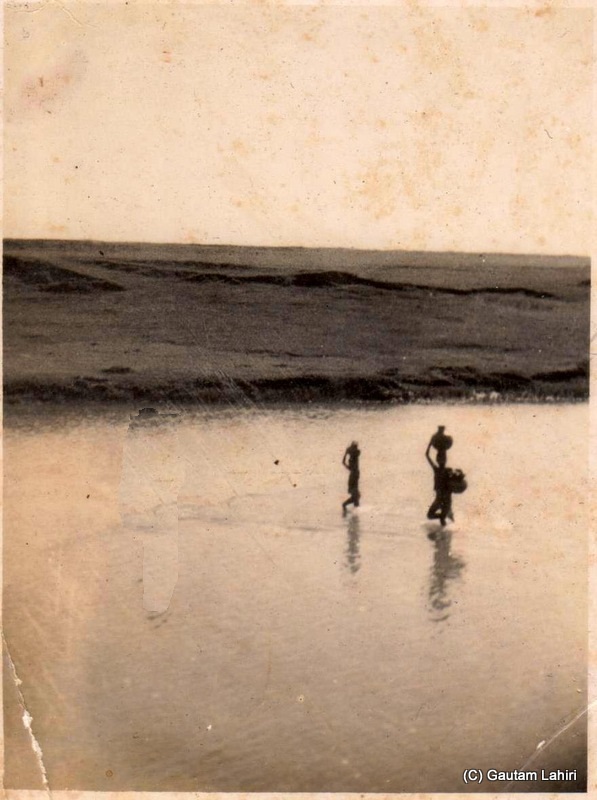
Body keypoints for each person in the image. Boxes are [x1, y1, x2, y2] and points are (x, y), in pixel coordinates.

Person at [425, 446, 454, 526]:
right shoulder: (436, 469)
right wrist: (430, 443)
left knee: (442, 520)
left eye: (443, 459)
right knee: (430, 516)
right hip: (438, 500)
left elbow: (456, 479)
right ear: (438, 460)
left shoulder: (449, 471)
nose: (441, 461)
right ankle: (448, 516)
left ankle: (449, 522)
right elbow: (427, 455)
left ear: (445, 461)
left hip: (446, 500)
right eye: (440, 459)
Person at [342, 441, 361, 514]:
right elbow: (343, 462)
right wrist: (346, 453)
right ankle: (356, 508)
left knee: (355, 493)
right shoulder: (354, 455)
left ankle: (347, 508)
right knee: (355, 493)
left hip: (353, 474)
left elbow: (343, 462)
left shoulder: (355, 454)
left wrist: (346, 453)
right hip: (354, 474)